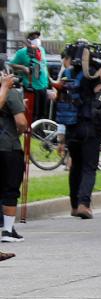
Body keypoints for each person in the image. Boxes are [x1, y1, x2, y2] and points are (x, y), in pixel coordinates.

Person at [62, 49, 101, 220]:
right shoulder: (93, 74)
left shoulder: (69, 73)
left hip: (71, 125)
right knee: (89, 167)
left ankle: (74, 206)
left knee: (76, 166)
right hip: (89, 125)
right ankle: (84, 204)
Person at [1, 72, 28, 243]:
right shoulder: (11, 93)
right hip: (8, 147)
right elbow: (22, 122)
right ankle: (8, 231)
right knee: (10, 188)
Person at [8, 31, 53, 122]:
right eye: (34, 38)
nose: (37, 40)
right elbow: (11, 64)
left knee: (43, 113)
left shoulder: (41, 50)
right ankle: (30, 132)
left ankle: (39, 132)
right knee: (32, 113)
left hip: (43, 85)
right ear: (29, 40)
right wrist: (23, 68)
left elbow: (44, 65)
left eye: (38, 37)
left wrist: (50, 80)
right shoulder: (22, 52)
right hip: (31, 87)